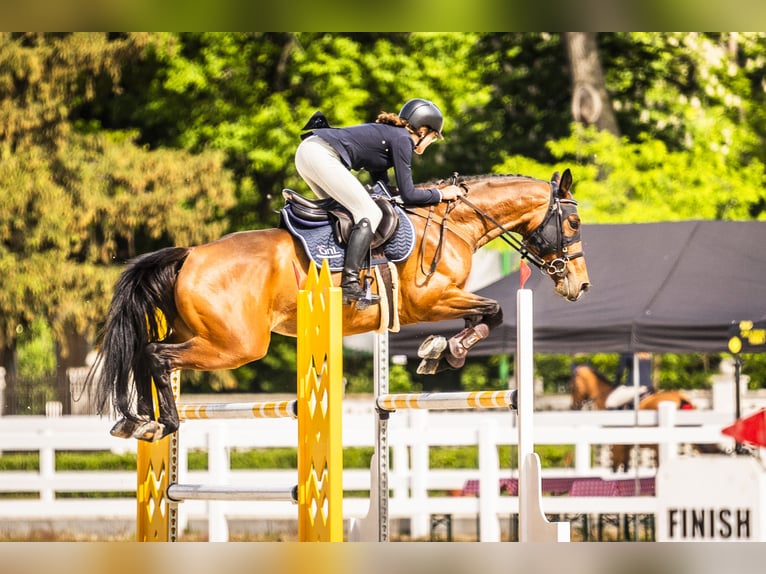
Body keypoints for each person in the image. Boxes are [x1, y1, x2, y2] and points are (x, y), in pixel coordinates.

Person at [295, 98, 465, 306]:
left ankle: (332, 265)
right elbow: (409, 194)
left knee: (345, 214)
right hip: (321, 154)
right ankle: (349, 285)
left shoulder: (389, 135)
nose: (431, 143)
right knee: (370, 214)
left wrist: (416, 193)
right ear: (422, 131)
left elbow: (383, 187)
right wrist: (441, 194)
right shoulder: (403, 139)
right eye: (433, 137)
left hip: (308, 152)